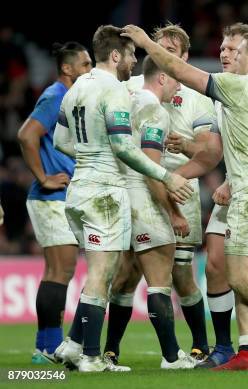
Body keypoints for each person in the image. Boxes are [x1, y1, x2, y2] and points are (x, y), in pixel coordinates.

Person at [121, 25, 248, 370]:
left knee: (241, 277)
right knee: (237, 267)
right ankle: (247, 353)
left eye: (237, 50)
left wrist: (143, 43)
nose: (229, 55)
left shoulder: (236, 86)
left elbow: (178, 71)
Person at [52, 25, 192, 373]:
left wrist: (90, 153)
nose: (134, 61)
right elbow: (122, 147)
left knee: (102, 270)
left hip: (78, 190)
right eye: (130, 54)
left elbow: (59, 141)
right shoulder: (113, 90)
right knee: (103, 272)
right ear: (115, 55)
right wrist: (167, 175)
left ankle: (73, 346)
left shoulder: (75, 89)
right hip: (104, 192)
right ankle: (91, 358)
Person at [166, 22, 248, 369]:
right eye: (222, 48)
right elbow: (221, 150)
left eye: (232, 49)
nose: (224, 53)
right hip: (240, 184)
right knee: (217, 263)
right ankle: (226, 347)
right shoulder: (227, 91)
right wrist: (192, 148)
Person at [104, 22, 220, 364]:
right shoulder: (133, 84)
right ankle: (111, 349)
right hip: (140, 183)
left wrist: (185, 145)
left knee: (182, 271)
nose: (163, 55)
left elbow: (208, 150)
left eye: (171, 51)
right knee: (127, 271)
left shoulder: (198, 94)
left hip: (179, 184)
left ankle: (199, 346)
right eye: (159, 48)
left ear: (183, 57)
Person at [17, 41, 92, 364]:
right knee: (59, 270)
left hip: (61, 197)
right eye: (85, 64)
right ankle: (46, 348)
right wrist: (45, 176)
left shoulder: (70, 97)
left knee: (61, 269)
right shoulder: (55, 96)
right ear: (68, 68)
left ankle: (47, 347)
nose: (90, 69)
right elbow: (26, 135)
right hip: (50, 197)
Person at [121, 55, 195, 369]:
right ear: (162, 77)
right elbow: (152, 167)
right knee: (159, 278)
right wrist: (175, 213)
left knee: (116, 279)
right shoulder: (155, 111)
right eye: (176, 78)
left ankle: (84, 347)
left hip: (119, 197)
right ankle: (171, 356)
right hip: (143, 200)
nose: (179, 85)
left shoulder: (128, 101)